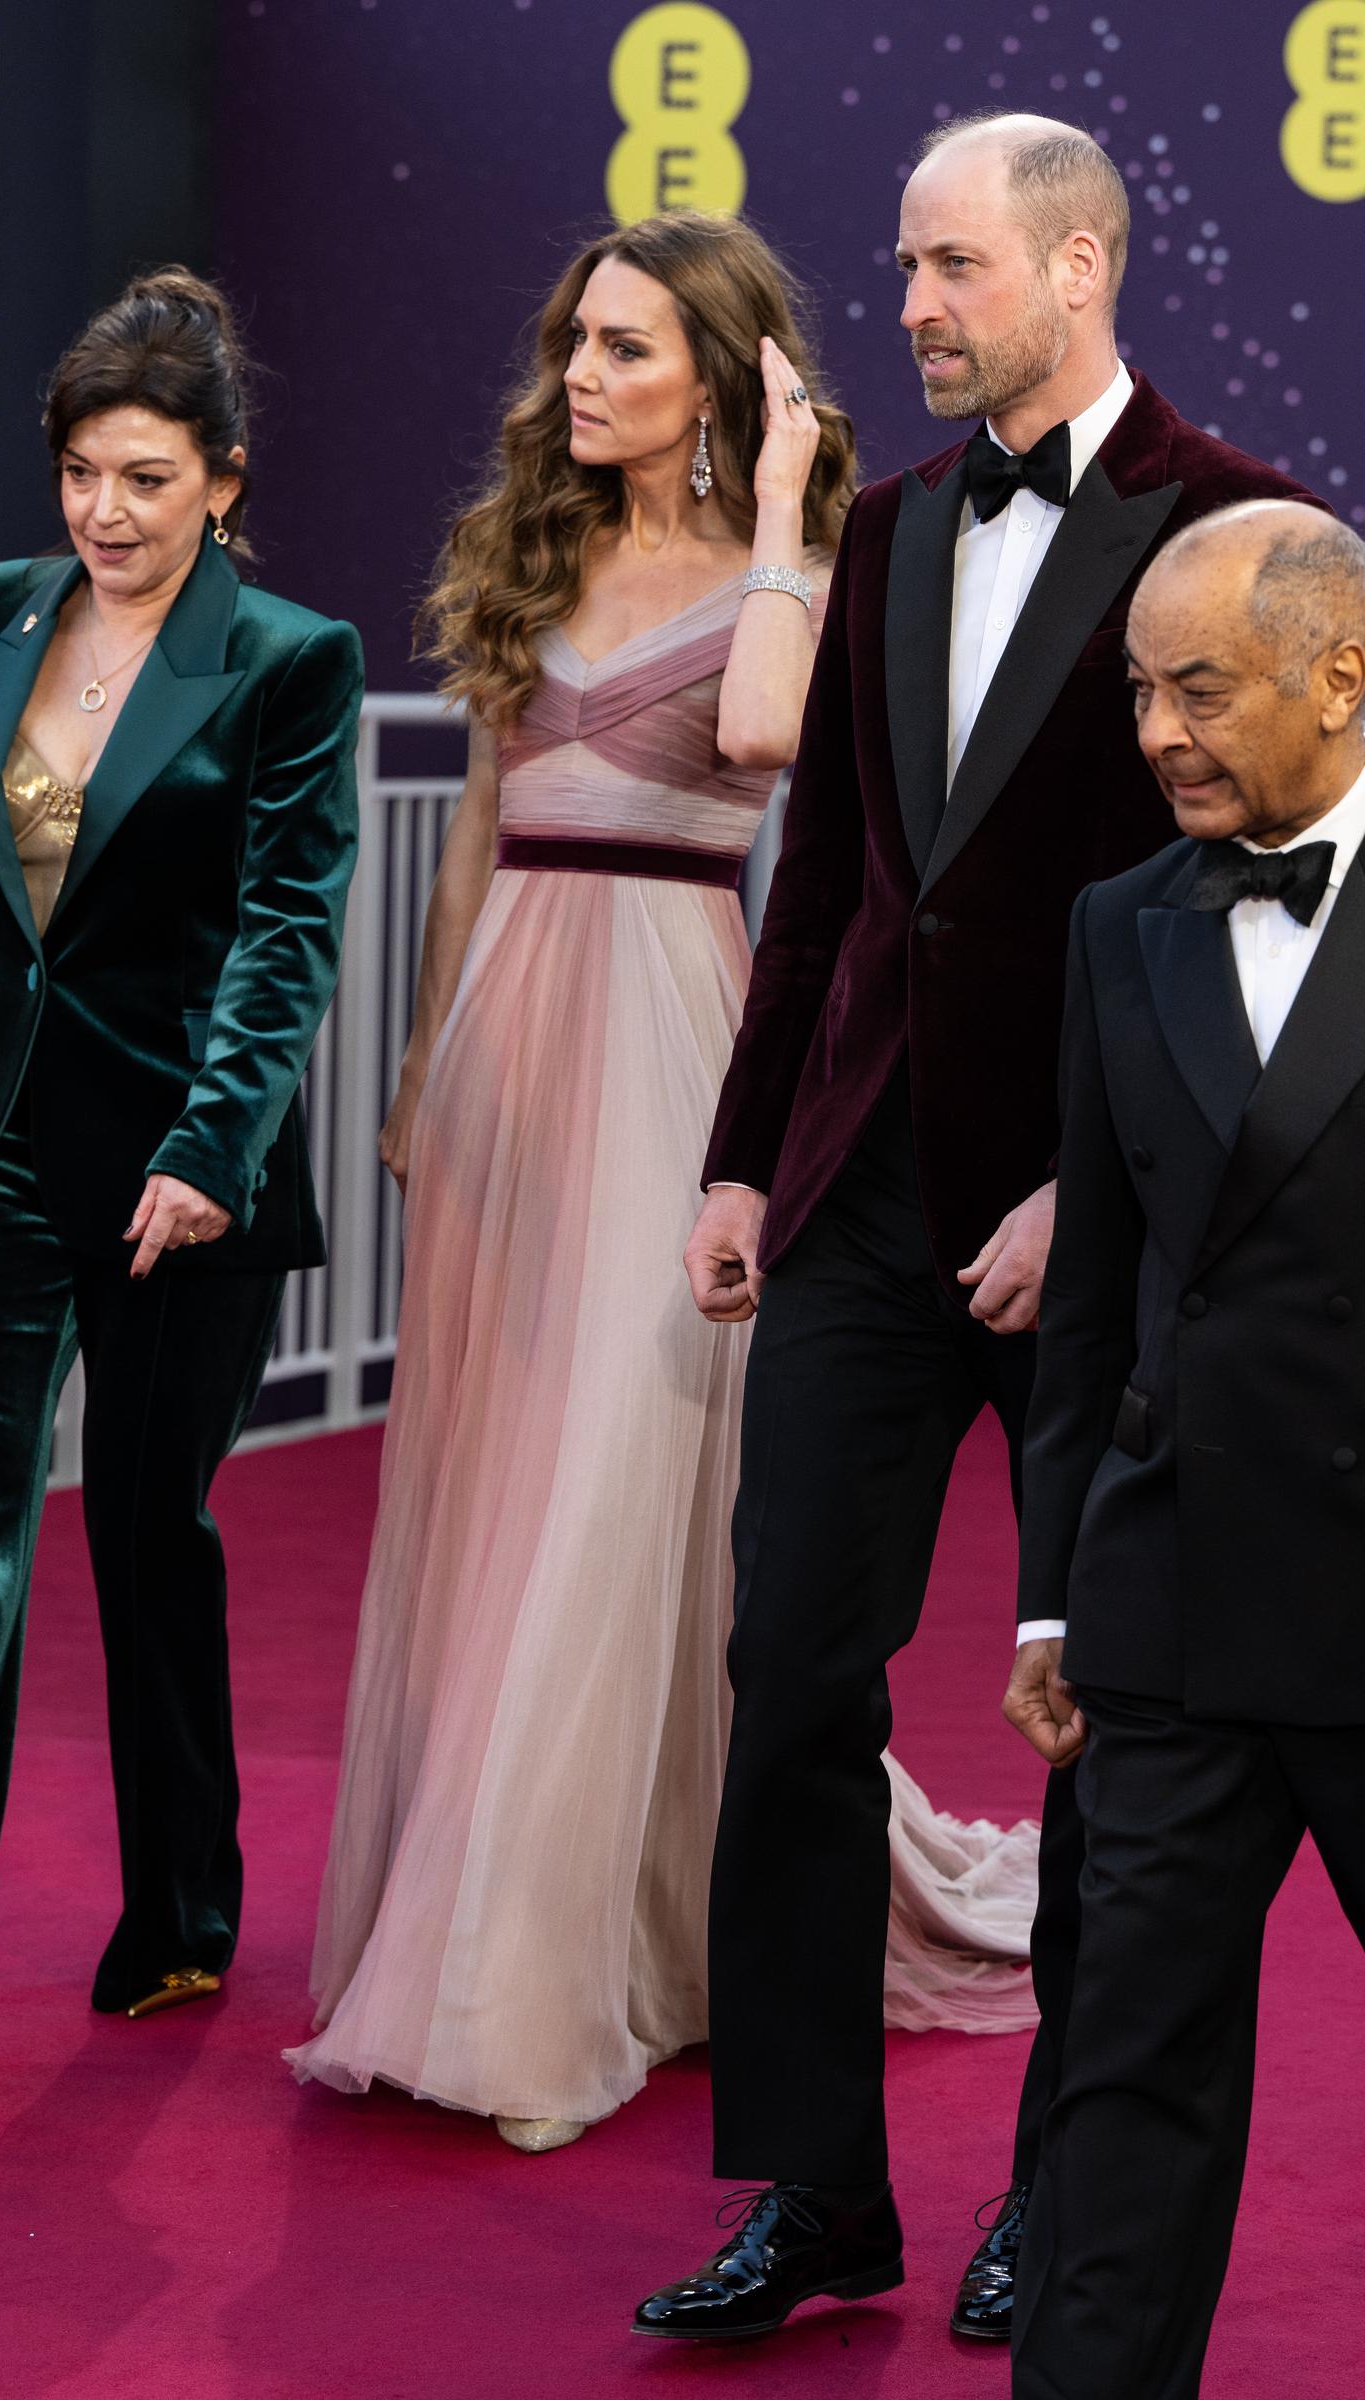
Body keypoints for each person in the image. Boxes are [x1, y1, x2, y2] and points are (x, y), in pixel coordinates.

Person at [634, 113, 1316, 2345]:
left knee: (1109, 1732)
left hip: (1113, 1240)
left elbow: (1240, 928)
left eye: (944, 268)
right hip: (858, 1203)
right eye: (906, 269)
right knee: (789, 1682)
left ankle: (1060, 2193)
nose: (905, 307)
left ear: (1075, 264)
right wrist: (745, 1153)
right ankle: (818, 2186)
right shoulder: (896, 526)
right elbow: (825, 875)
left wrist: (1080, 1184)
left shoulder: (1235, 538)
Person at [288, 212, 1039, 2158]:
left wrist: (789, 499)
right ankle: (498, 1916)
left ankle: (532, 1979)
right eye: (569, 349)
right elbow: (472, 821)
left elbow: (774, 739)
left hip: (672, 1043)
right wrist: (415, 1066)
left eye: (621, 349)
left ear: (716, 377)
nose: (574, 382)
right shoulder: (522, 553)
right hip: (504, 1055)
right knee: (494, 1492)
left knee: (625, 1493)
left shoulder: (804, 561)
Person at [0, 269, 363, 2059]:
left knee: (143, 1533)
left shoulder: (288, 661)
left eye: (145, 477)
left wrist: (214, 1147)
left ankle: (185, 1902)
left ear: (226, 480)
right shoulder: (0, 612)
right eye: (80, 473)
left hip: (177, 1166)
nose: (105, 513)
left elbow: (290, 928)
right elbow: (8, 905)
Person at [1006, 504, 1365, 2396]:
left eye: (1199, 689)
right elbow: (1095, 1308)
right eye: (1140, 693)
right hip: (1170, 1614)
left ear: (1340, 675)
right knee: (1122, 2098)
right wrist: (1049, 1602)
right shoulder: (1118, 923)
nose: (1159, 734)